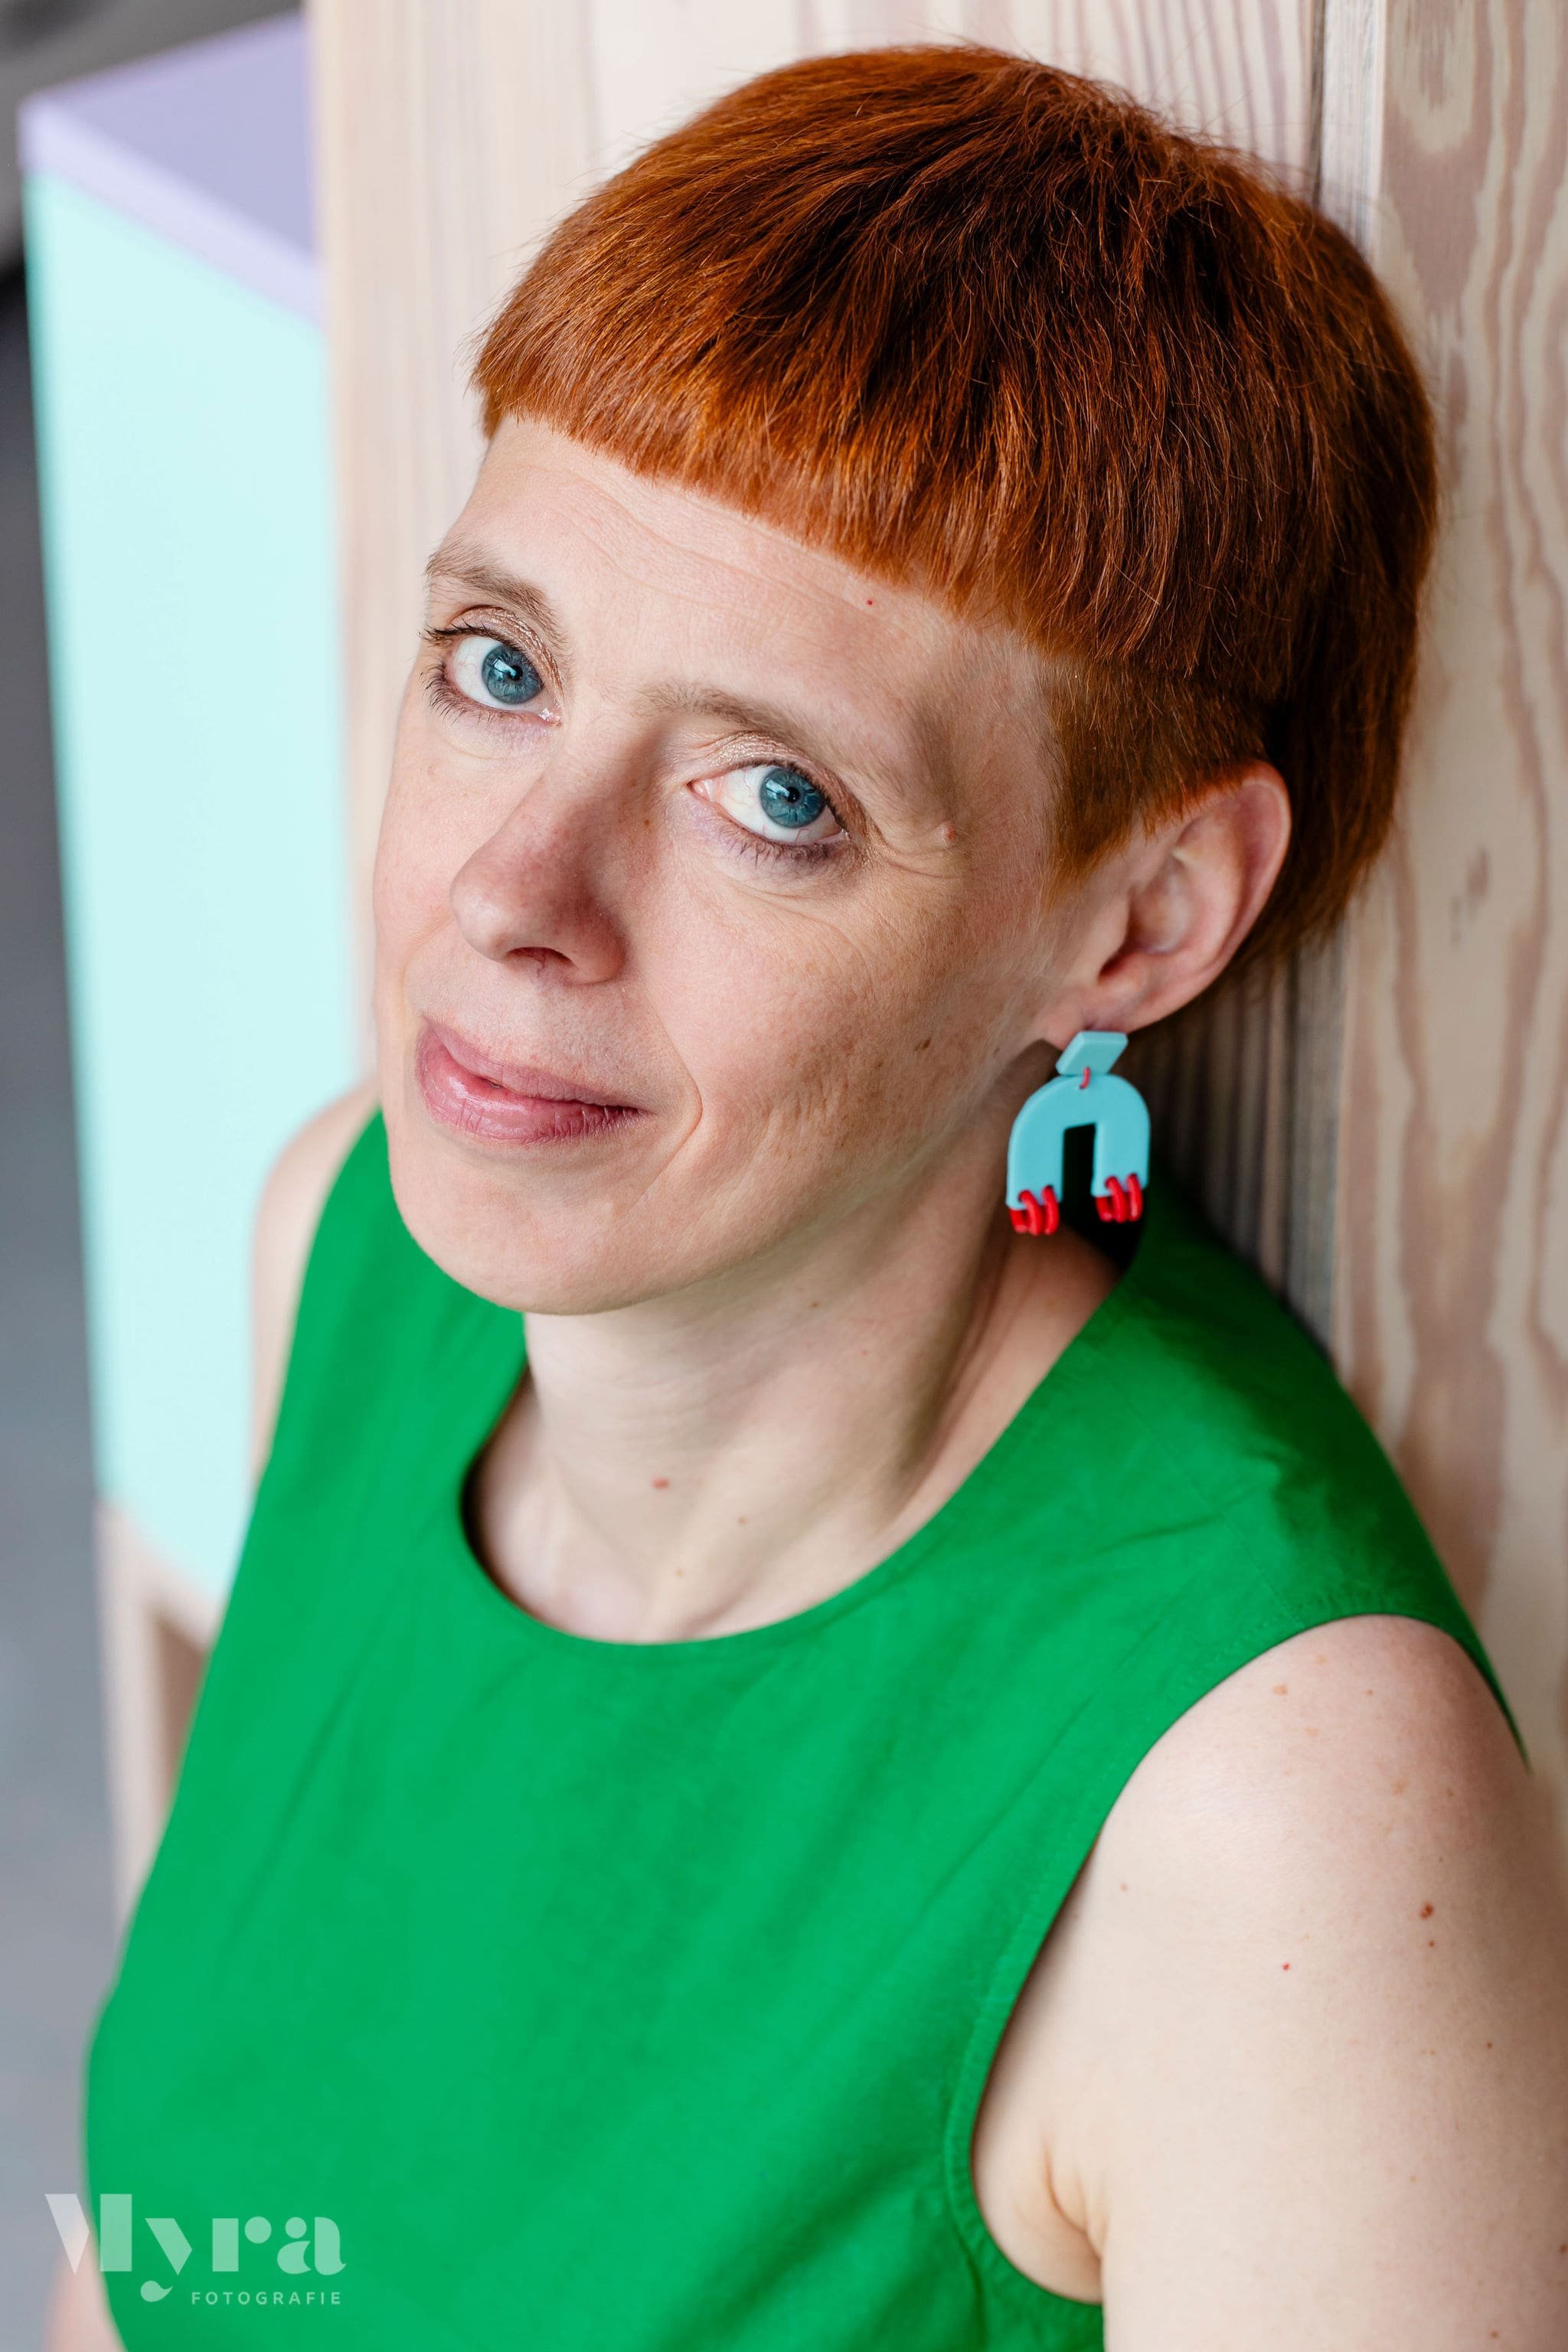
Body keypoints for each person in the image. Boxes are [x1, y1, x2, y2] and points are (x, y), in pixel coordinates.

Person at [53, 43, 1568, 2352]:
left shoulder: (1274, 1823)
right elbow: (167, 2266)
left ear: (1142, 922)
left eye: (774, 798)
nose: (508, 895)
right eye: (499, 669)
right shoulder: (350, 1240)